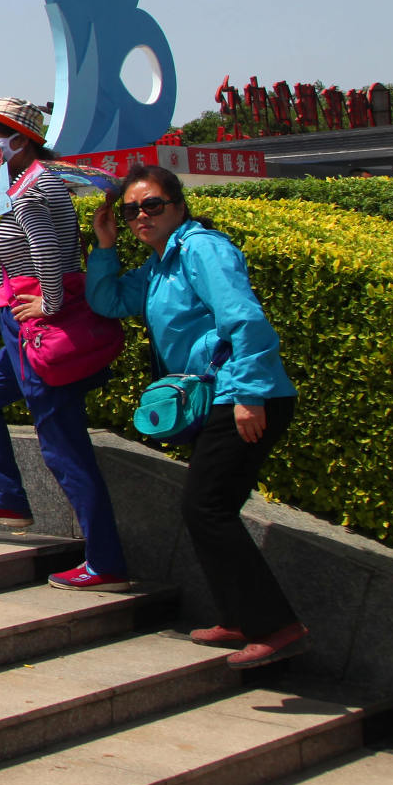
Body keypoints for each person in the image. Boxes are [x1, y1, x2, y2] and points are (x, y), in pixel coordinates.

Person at [88, 164, 305, 668]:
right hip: (219, 398)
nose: (141, 217)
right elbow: (109, 301)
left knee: (206, 508)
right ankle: (240, 617)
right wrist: (104, 246)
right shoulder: (160, 264)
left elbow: (243, 317)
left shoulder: (201, 248)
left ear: (179, 206)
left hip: (243, 396)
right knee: (209, 509)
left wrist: (249, 394)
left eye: (152, 205)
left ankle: (277, 627)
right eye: (131, 211)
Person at [0, 97, 130, 591]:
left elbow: (51, 253)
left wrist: (48, 304)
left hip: (38, 329)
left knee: (63, 447)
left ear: (21, 140)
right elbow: (19, 256)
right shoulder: (13, 185)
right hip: (20, 321)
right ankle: (9, 497)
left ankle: (105, 562)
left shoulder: (35, 186)